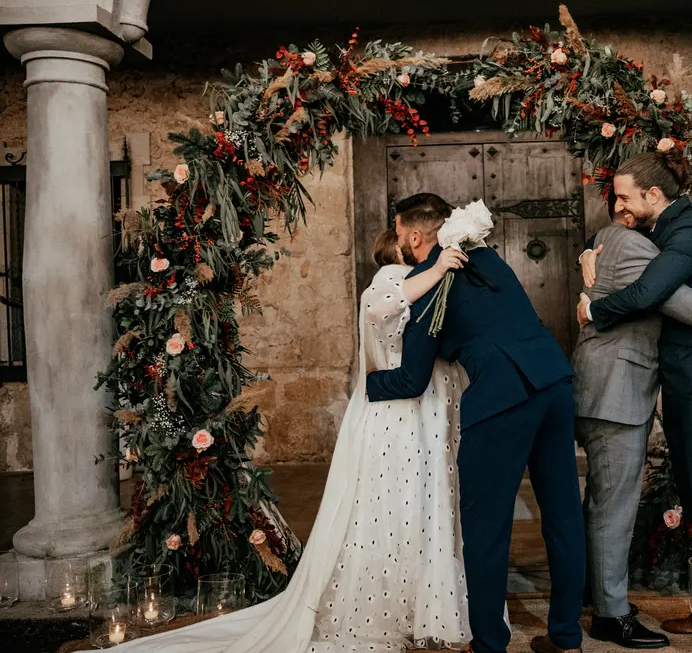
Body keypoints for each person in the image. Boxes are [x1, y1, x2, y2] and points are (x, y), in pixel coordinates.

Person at [110, 227, 472, 653]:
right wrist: (438, 269)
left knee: (415, 507)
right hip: (397, 413)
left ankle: (417, 603)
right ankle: (390, 605)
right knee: (393, 508)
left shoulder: (424, 284)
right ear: (400, 248)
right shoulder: (391, 276)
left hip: (421, 412)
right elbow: (380, 310)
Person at [366, 193, 586, 653]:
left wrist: (367, 386)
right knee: (564, 516)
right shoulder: (489, 260)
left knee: (486, 530)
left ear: (415, 235)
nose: (402, 242)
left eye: (402, 233)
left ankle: (489, 645)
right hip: (553, 382)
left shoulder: (428, 288)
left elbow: (411, 379)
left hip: (502, 401)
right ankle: (566, 638)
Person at [577, 152, 692, 653]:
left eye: (623, 196)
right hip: (676, 381)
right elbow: (613, 240)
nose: (617, 205)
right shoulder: (653, 225)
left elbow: (649, 290)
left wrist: (594, 308)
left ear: (653, 195)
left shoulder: (690, 230)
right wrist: (591, 251)